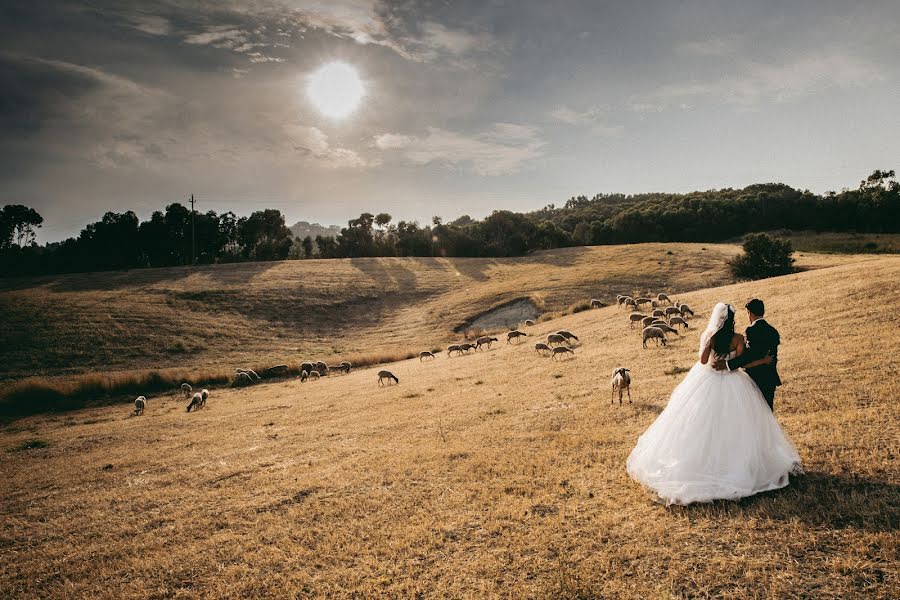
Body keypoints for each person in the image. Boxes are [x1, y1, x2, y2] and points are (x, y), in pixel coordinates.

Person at [626, 302, 802, 505]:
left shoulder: (710, 336)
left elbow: (702, 361)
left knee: (699, 421)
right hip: (735, 381)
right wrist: (758, 362)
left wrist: (709, 349)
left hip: (708, 379)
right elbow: (742, 360)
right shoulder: (738, 338)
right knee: (739, 422)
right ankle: (743, 463)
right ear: (732, 320)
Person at [713, 298, 781, 411]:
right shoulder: (773, 331)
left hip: (756, 377)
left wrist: (728, 364)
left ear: (750, 313)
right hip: (770, 377)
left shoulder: (752, 330)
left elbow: (749, 356)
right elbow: (771, 356)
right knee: (768, 411)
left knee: (754, 411)